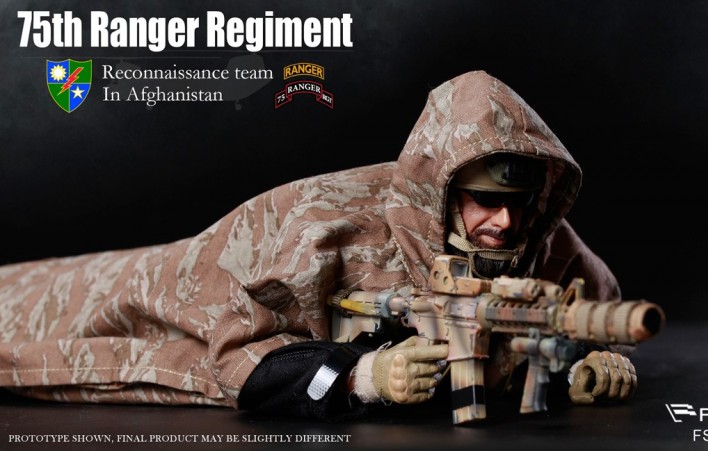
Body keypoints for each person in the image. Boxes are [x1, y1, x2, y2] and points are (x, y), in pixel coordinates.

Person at [0, 70, 634, 420]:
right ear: (442, 191)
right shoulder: (320, 226)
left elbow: (589, 308)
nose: (504, 222)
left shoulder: (544, 241)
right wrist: (362, 376)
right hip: (196, 283)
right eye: (484, 201)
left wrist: (592, 361)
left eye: (521, 203)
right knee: (54, 317)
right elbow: (237, 349)